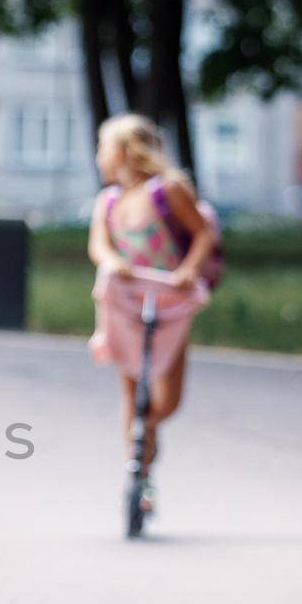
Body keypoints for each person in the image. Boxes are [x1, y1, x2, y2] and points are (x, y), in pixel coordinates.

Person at [87, 113, 216, 515]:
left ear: (124, 151)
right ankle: (139, 475)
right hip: (127, 301)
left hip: (168, 301)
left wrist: (188, 271)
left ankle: (148, 430)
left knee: (168, 397)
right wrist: (112, 263)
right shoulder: (108, 200)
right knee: (131, 389)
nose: (98, 156)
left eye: (103, 147)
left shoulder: (167, 190)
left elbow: (203, 233)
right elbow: (100, 245)